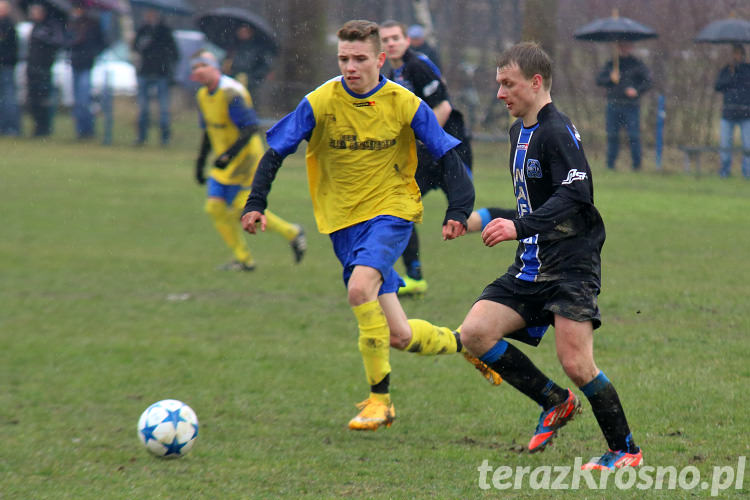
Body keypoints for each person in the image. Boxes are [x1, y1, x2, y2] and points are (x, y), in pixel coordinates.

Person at [241, 20, 500, 431]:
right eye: (344, 58)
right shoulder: (320, 101)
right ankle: (465, 343)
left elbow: (449, 155)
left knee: (359, 289)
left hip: (391, 211)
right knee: (398, 335)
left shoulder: (404, 102)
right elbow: (275, 150)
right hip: (343, 222)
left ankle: (381, 401)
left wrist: (457, 211)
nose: (351, 66)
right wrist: (256, 201)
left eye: (360, 58)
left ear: (380, 59)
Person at [459, 42, 642, 470]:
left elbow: (577, 194)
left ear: (536, 82)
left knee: (577, 362)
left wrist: (519, 227)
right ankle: (554, 401)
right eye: (498, 84)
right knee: (475, 333)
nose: (500, 93)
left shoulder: (556, 131)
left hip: (571, 265)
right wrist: (494, 219)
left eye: (509, 84)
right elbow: (531, 204)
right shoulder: (517, 131)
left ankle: (626, 450)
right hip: (532, 262)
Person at [190, 50, 306, 271]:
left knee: (240, 210)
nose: (198, 71)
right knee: (214, 208)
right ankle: (244, 259)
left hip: (245, 159)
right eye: (194, 68)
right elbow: (209, 131)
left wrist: (228, 155)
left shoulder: (230, 93)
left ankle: (292, 232)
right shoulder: (203, 96)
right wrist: (200, 161)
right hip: (225, 161)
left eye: (202, 65)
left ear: (215, 67)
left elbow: (251, 127)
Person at [596, 41, 651, 171]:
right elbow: (599, 80)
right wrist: (610, 78)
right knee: (612, 135)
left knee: (633, 136)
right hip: (613, 105)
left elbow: (648, 82)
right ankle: (610, 165)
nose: (624, 48)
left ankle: (636, 166)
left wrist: (636, 90)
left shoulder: (637, 64)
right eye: (621, 46)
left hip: (631, 106)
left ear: (631, 47)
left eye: (627, 46)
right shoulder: (611, 64)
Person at [132, 8, 178, 146]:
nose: (150, 15)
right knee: (143, 108)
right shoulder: (142, 30)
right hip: (145, 72)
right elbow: (135, 47)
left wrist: (166, 63)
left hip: (161, 73)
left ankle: (164, 137)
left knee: (163, 109)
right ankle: (141, 136)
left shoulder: (165, 31)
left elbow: (175, 53)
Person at [26, 3, 64, 137]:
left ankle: (44, 128)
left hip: (44, 68)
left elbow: (57, 42)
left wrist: (44, 38)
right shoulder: (35, 27)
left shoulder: (51, 26)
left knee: (44, 100)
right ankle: (37, 127)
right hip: (32, 68)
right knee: (34, 100)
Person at [67, 4, 105, 140]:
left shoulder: (92, 25)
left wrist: (91, 53)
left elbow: (102, 43)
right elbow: (67, 41)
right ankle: (80, 130)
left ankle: (87, 130)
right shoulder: (72, 24)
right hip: (75, 63)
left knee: (84, 99)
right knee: (77, 100)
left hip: (86, 64)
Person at [714, 44, 750, 179]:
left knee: (748, 145)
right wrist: (731, 75)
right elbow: (718, 86)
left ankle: (747, 173)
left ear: (743, 55)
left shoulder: (747, 70)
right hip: (728, 113)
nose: (737, 57)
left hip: (746, 114)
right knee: (725, 145)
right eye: (734, 54)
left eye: (739, 54)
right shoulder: (726, 70)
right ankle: (724, 170)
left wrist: (739, 74)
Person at [222, 23, 273, 101]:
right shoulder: (234, 46)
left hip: (251, 85)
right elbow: (228, 62)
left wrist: (250, 77)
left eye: (245, 31)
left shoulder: (258, 48)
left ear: (251, 32)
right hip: (233, 81)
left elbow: (265, 66)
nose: (242, 33)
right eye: (241, 31)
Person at [0, 0, 20, 136]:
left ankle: (11, 127)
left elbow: (10, 49)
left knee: (8, 96)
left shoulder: (7, 25)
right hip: (7, 64)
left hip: (6, 66)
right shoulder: (9, 25)